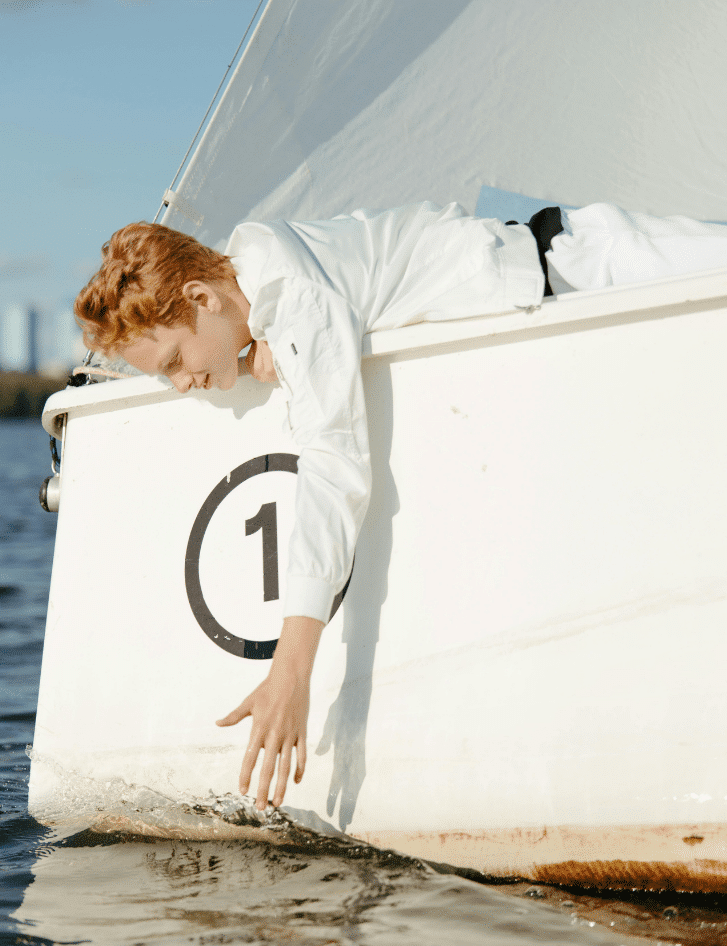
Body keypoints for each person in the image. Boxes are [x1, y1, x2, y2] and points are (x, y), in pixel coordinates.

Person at [74, 200, 727, 811]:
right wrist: (251, 348)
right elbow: (328, 307)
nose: (183, 385)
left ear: (200, 296)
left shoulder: (297, 300)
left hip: (602, 268)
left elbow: (334, 467)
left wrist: (291, 671)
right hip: (571, 271)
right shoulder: (273, 285)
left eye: (176, 361)